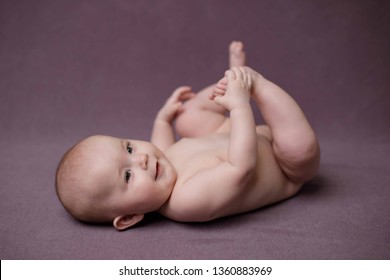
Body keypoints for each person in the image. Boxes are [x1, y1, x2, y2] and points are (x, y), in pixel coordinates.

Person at [56, 41, 320, 230]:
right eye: (127, 175)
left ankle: (232, 79)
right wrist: (240, 107)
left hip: (236, 133)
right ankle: (253, 85)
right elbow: (241, 168)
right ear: (129, 217)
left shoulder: (161, 164)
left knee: (186, 116)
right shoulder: (186, 200)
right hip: (284, 165)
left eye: (128, 149)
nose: (141, 160)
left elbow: (162, 146)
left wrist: (163, 119)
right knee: (300, 149)